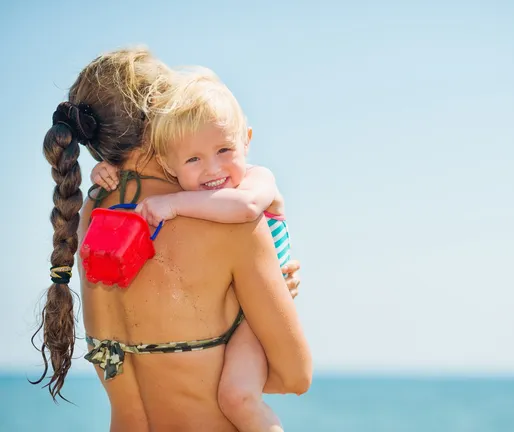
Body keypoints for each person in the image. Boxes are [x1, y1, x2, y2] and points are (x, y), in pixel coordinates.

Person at [32, 47, 311, 432]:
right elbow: (295, 377)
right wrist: (269, 303)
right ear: (165, 114)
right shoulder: (225, 216)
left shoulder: (90, 213)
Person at [90, 69, 292, 431]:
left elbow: (244, 207)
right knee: (232, 392)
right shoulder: (191, 199)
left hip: (257, 312)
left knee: (238, 396)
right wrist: (110, 170)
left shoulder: (255, 179)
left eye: (225, 149)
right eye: (193, 159)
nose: (213, 169)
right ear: (168, 164)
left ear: (247, 140)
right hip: (246, 304)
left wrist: (176, 203)